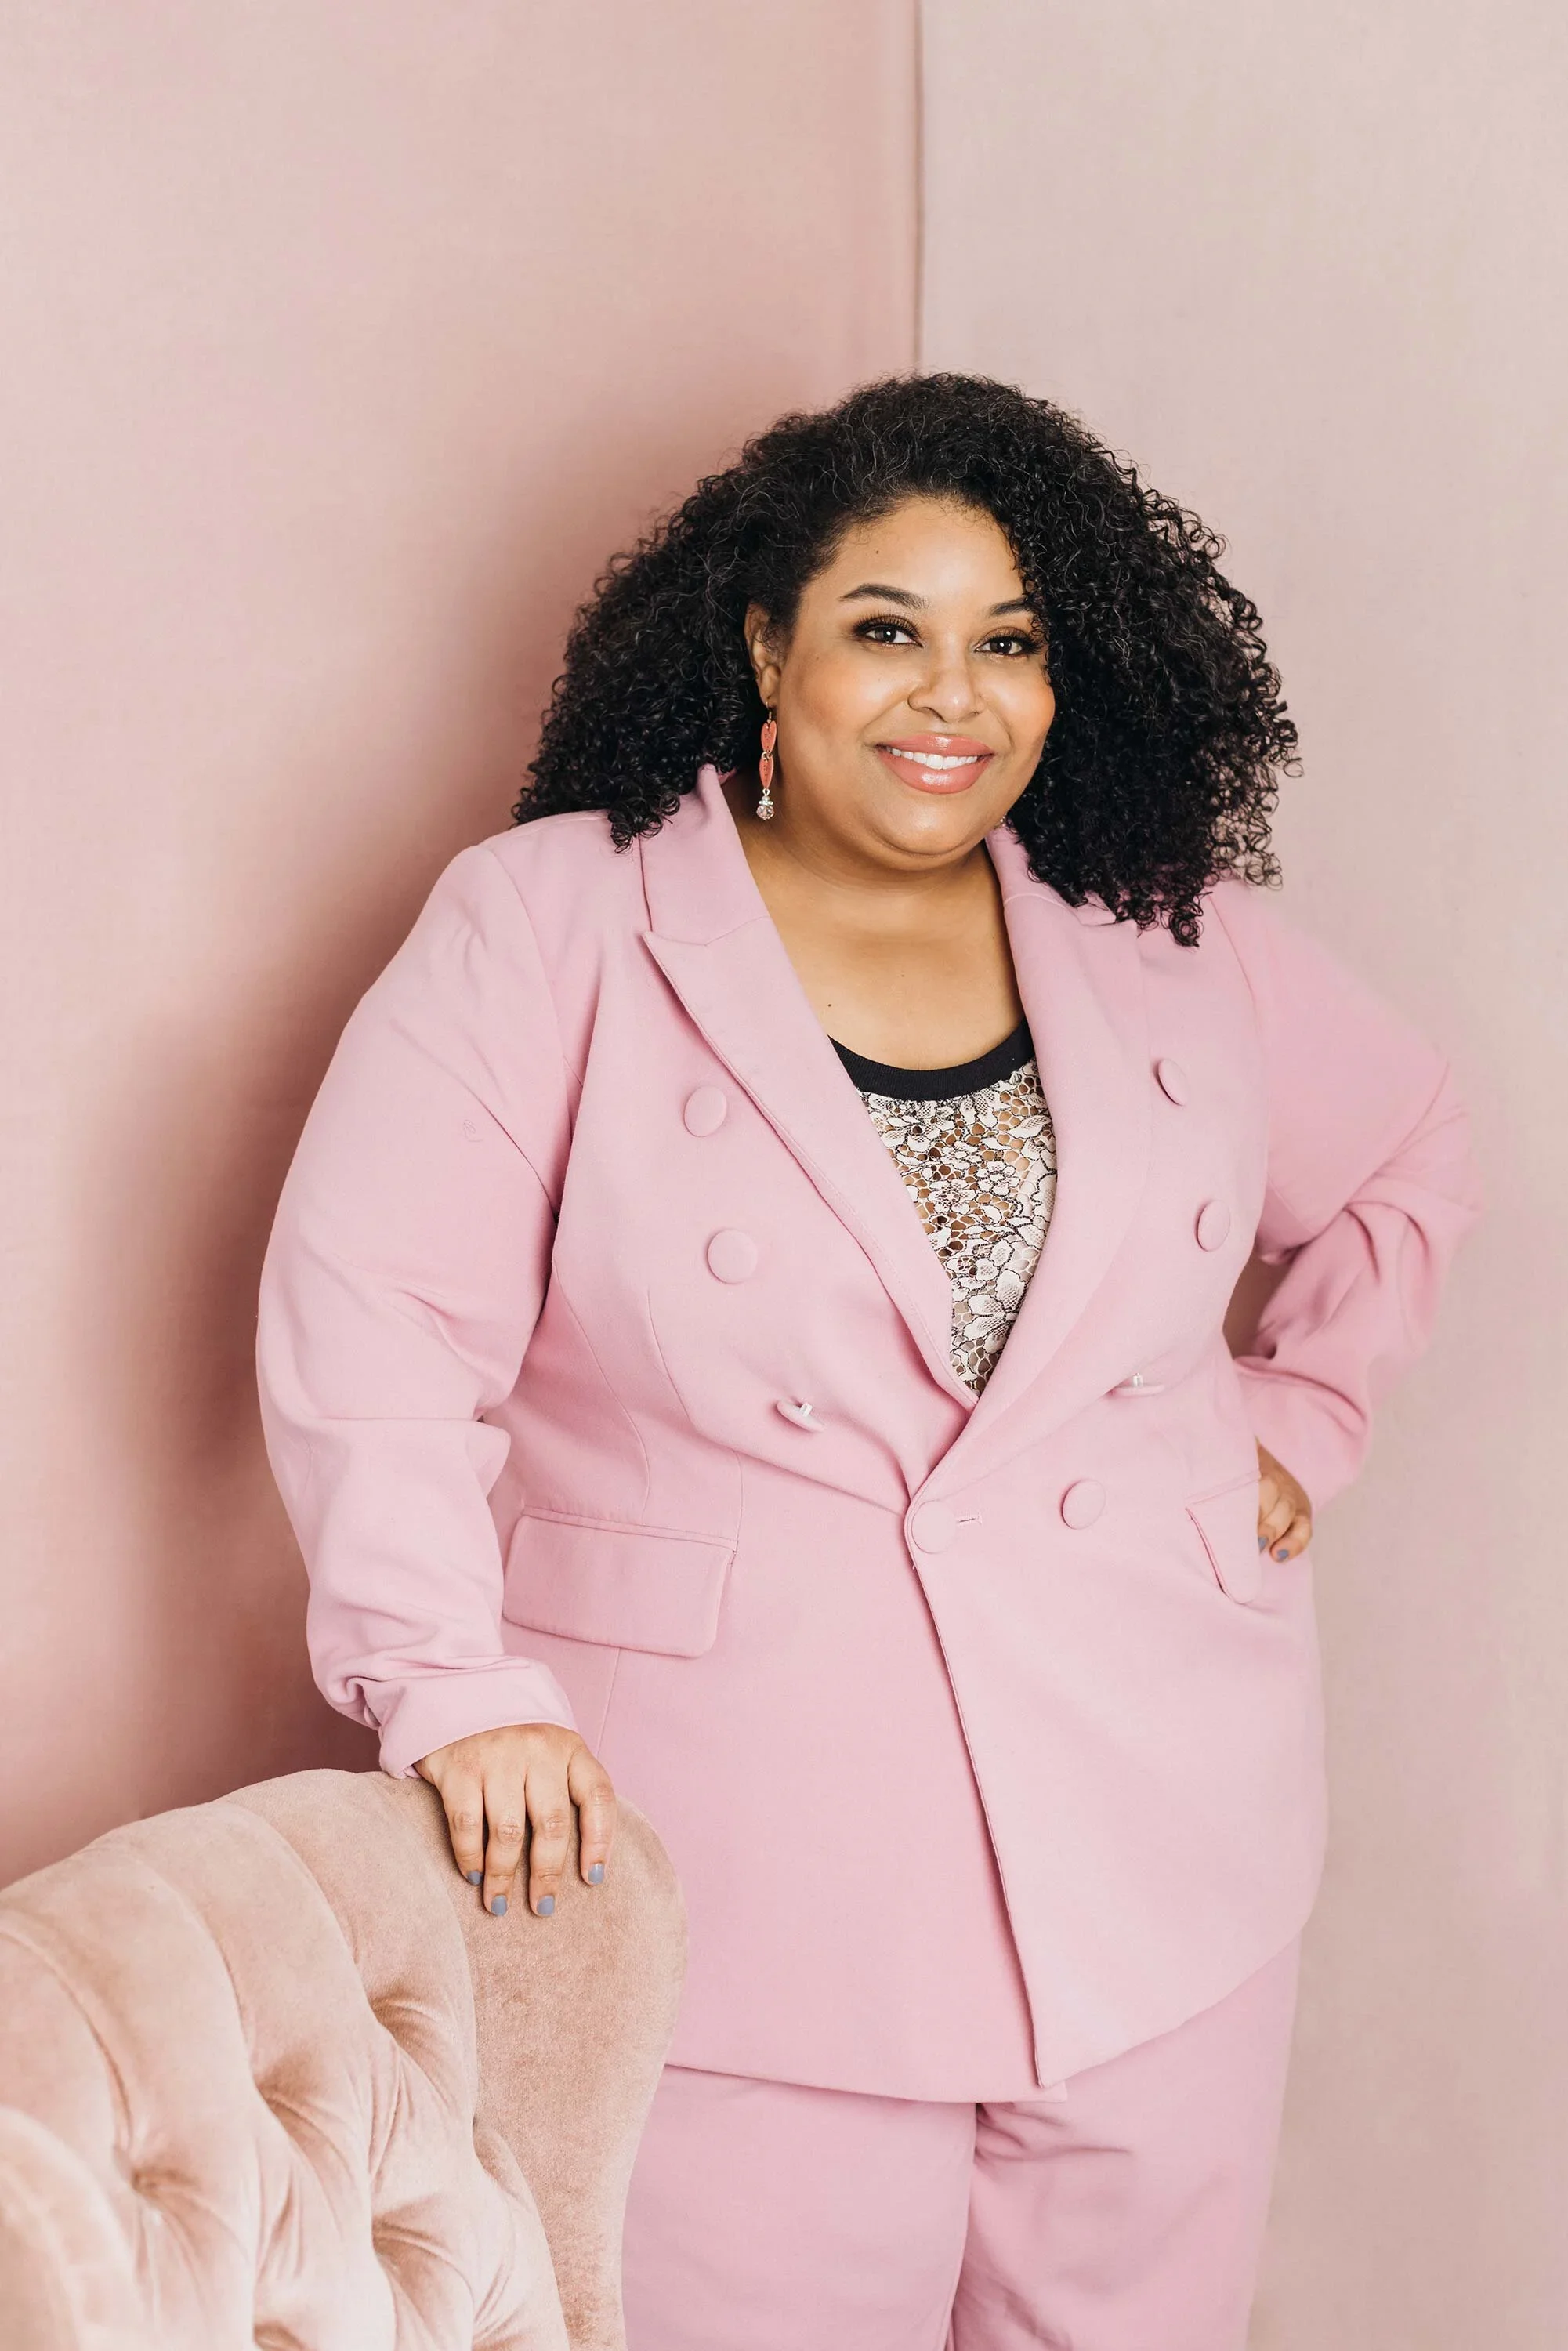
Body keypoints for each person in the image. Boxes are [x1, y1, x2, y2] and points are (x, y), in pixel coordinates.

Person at [255, 373, 1483, 2349]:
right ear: (767, 646)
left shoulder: (1165, 933)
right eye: (888, 629)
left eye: (1011, 641)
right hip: (745, 1848)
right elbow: (374, 1319)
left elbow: (1407, 1151)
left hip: (1161, 1833)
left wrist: (1302, 1413)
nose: (952, 697)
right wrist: (445, 1678)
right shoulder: (554, 921)